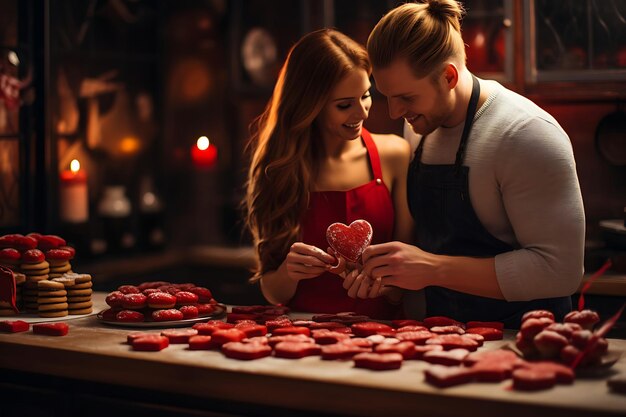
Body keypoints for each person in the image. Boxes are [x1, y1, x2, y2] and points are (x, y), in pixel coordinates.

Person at [353, 0, 585, 328]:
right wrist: (391, 277)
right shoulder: (418, 124)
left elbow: (559, 271)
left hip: (523, 343)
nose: (393, 112)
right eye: (386, 95)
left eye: (406, 97)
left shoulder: (525, 135)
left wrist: (432, 268)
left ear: (448, 76)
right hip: (440, 337)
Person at [244, 28, 414, 319]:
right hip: (303, 337)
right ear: (310, 106)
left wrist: (385, 285)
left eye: (366, 96)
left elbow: (408, 275)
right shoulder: (280, 168)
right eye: (344, 105)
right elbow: (273, 291)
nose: (362, 113)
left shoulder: (395, 154)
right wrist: (288, 271)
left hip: (384, 334)